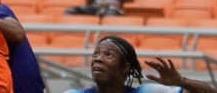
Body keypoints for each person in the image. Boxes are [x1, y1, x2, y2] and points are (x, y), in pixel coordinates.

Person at [64, 35, 217, 93]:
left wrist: (182, 82)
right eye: (96, 54)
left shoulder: (148, 92)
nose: (98, 58)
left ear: (126, 67)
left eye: (108, 55)